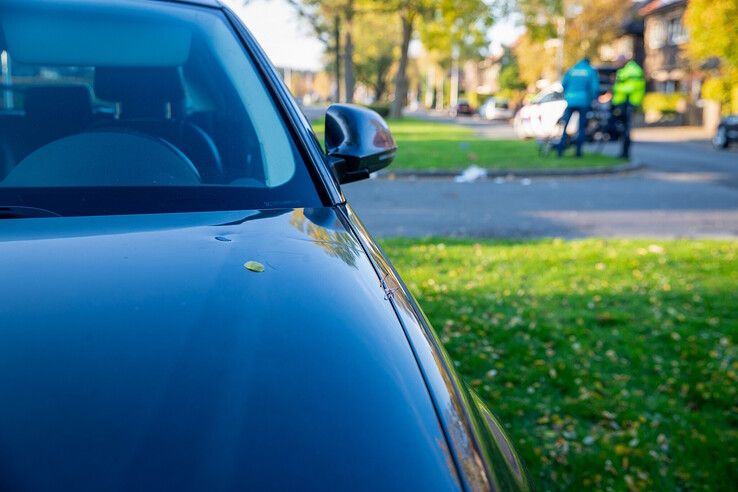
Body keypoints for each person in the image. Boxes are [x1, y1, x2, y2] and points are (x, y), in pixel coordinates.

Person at [557, 57, 600, 158]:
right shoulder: (590, 71)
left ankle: (560, 149)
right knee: (581, 127)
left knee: (565, 125)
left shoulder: (572, 70)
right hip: (584, 101)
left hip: (570, 100)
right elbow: (595, 87)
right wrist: (593, 99)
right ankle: (578, 151)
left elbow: (563, 84)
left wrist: (568, 94)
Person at [612, 57, 646, 159]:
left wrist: (616, 88)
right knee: (622, 129)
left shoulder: (633, 70)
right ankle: (623, 152)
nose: (616, 63)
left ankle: (625, 153)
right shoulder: (625, 70)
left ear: (623, 61)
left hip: (629, 103)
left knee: (626, 129)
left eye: (618, 61)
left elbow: (632, 87)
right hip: (623, 103)